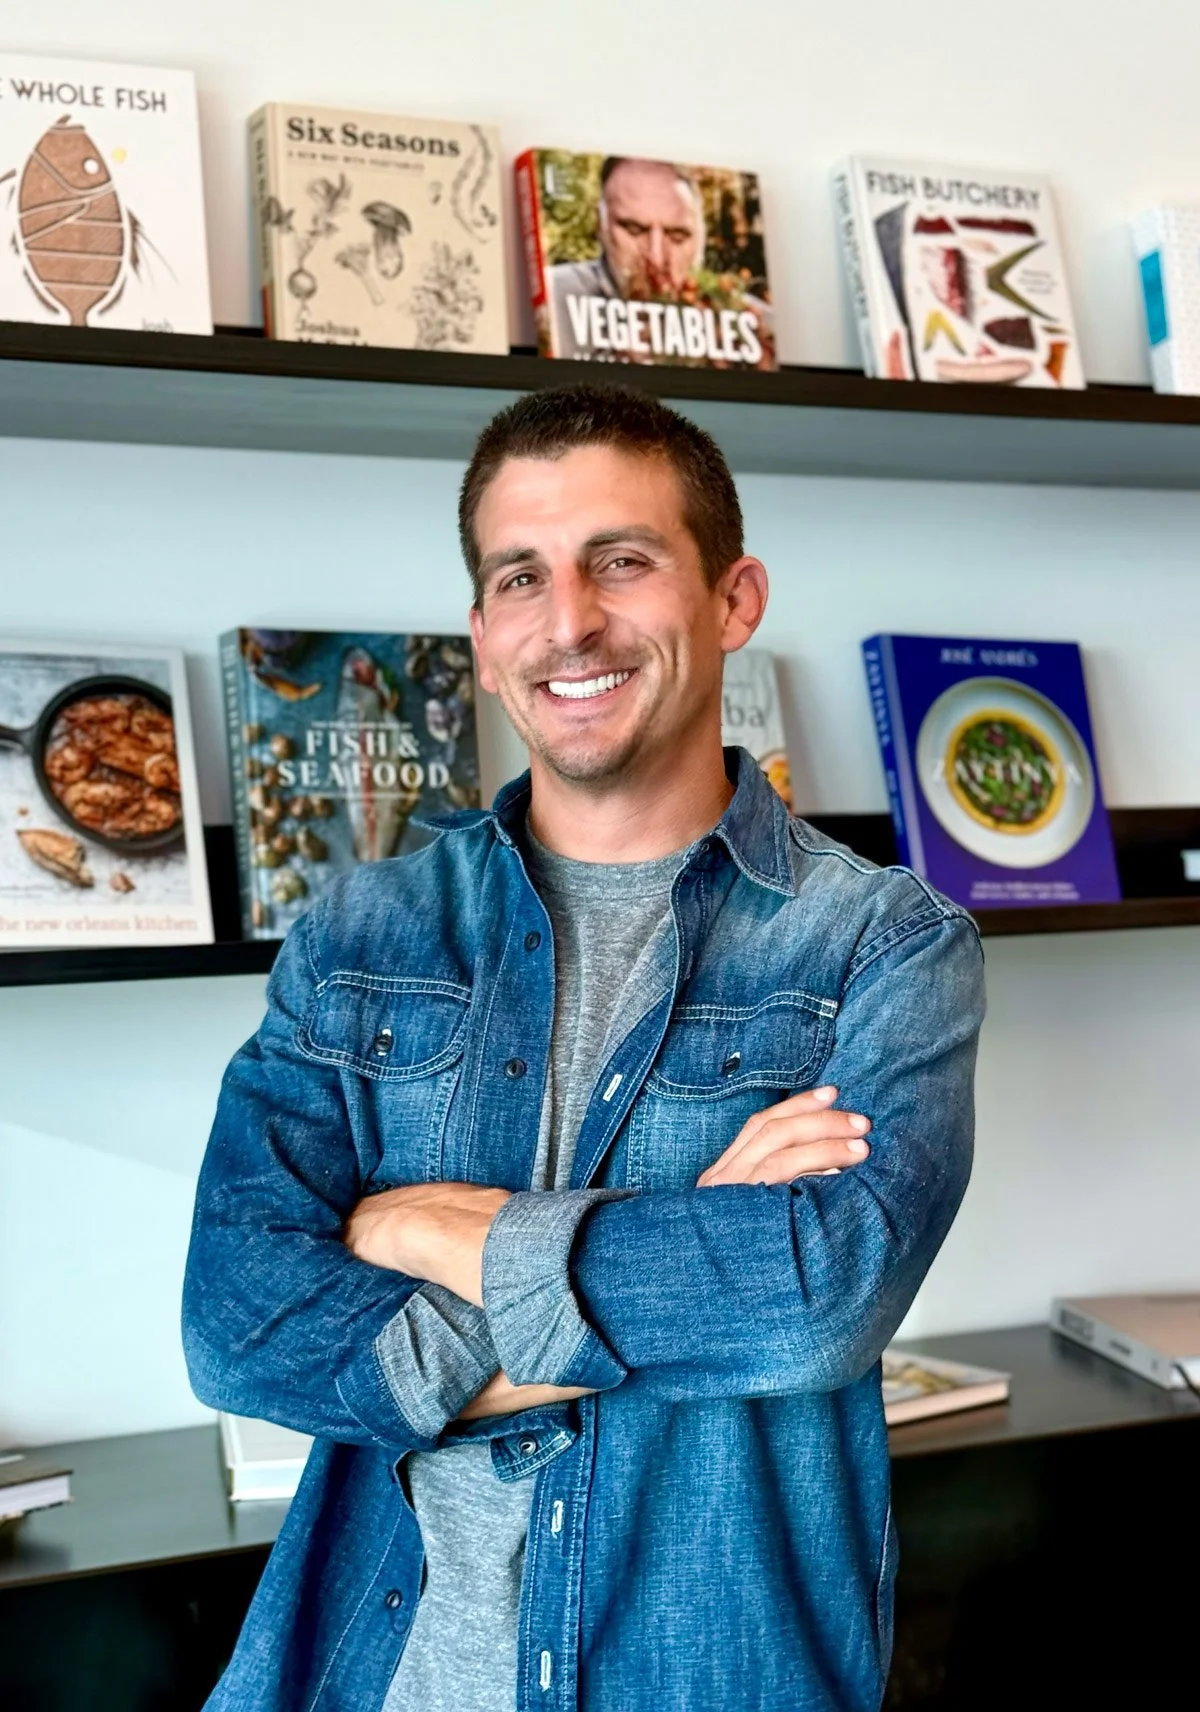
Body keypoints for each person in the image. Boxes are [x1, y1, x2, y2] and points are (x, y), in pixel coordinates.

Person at [183, 382, 985, 1712]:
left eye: (622, 560)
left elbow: (820, 1300)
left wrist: (423, 1226)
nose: (569, 622)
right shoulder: (361, 932)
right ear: (483, 637)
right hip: (374, 1679)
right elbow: (239, 1326)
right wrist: (691, 1233)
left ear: (733, 600)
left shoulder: (884, 944)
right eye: (521, 577)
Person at [547, 157, 770, 362]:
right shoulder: (551, 298)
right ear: (600, 225)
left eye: (677, 236)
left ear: (702, 237)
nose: (656, 258)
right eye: (634, 230)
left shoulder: (755, 322)